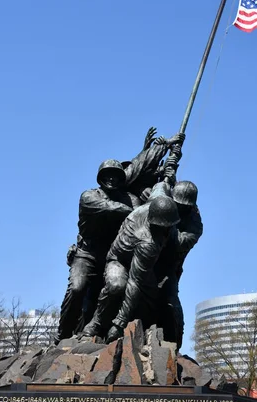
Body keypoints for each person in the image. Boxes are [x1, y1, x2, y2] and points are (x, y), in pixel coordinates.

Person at [56, 130, 185, 343]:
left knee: (124, 289)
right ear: (100, 178)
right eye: (107, 175)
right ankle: (62, 336)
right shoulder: (90, 197)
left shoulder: (131, 199)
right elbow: (117, 207)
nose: (112, 178)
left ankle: (114, 332)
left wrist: (167, 159)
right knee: (78, 288)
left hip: (114, 254)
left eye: (116, 175)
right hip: (87, 254)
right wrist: (140, 210)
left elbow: (139, 166)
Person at [81, 183, 180, 342]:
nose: (168, 231)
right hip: (119, 260)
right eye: (165, 227)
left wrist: (168, 176)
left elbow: (161, 185)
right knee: (116, 286)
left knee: (152, 299)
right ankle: (96, 324)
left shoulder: (155, 203)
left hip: (142, 265)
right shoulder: (149, 242)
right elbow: (134, 282)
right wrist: (119, 323)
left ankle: (145, 333)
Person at [154, 181, 203, 348]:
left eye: (184, 206)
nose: (179, 208)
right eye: (176, 204)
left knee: (171, 305)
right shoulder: (163, 195)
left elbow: (179, 243)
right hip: (144, 258)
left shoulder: (194, 224)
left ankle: (173, 348)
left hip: (168, 267)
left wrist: (166, 216)